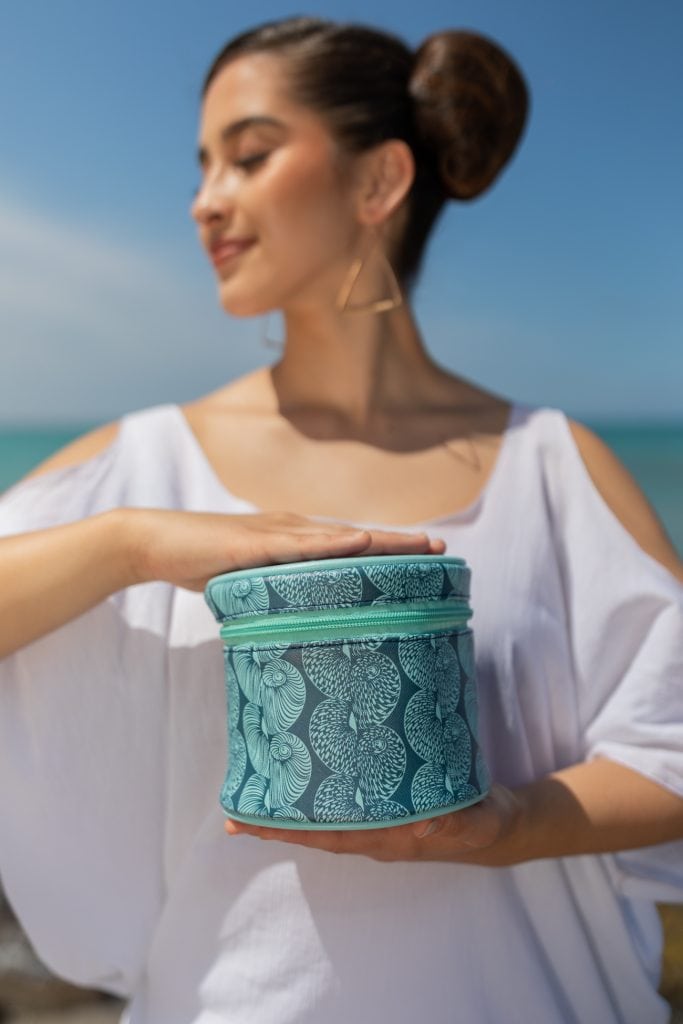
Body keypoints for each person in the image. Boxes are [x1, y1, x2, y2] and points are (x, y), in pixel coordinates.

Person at [0, 15, 681, 1024]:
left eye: (249, 155)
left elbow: (667, 746)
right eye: (200, 168)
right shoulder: (144, 466)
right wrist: (134, 544)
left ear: (378, 182)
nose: (204, 203)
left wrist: (503, 825)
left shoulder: (552, 464)